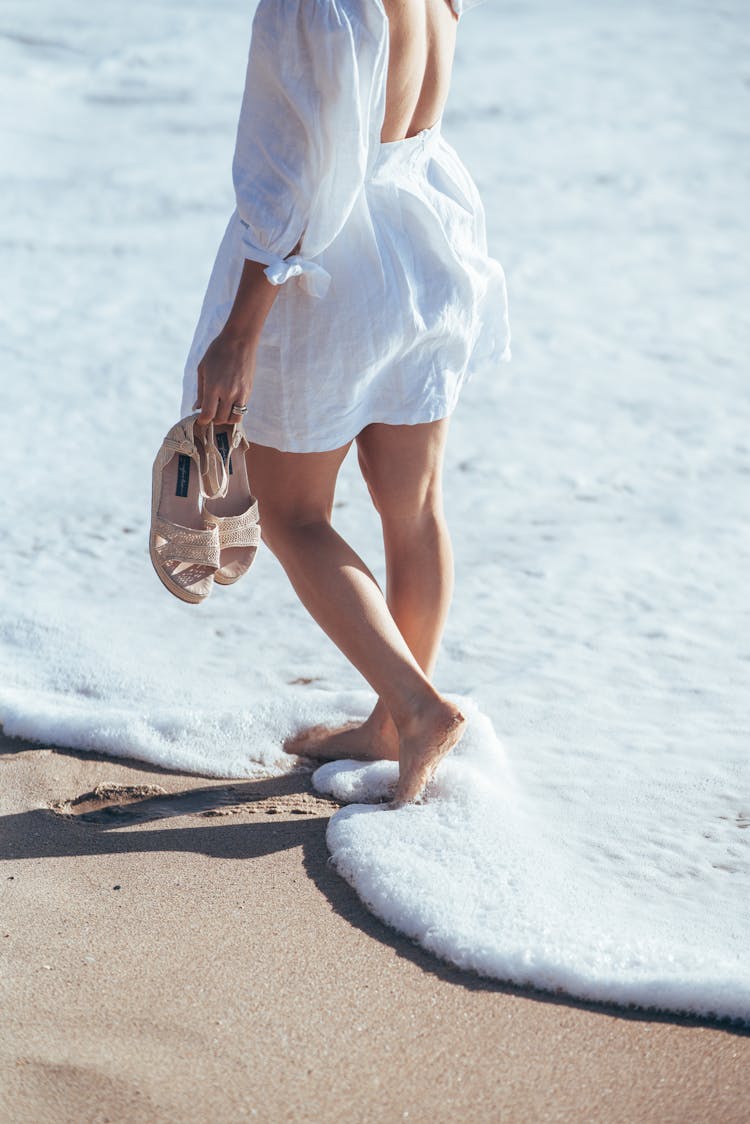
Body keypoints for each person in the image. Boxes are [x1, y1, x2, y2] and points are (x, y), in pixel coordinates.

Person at [181, 0, 510, 804]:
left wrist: (240, 331)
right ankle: (391, 725)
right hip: (430, 245)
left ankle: (415, 708)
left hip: (334, 270)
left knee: (293, 514)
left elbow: (295, 175)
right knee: (417, 506)